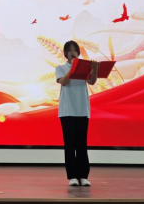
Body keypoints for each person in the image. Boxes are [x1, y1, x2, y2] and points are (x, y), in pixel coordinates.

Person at [55, 40, 98, 187]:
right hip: (67, 111)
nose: (72, 52)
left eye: (75, 50)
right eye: (69, 50)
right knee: (70, 145)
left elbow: (92, 82)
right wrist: (73, 68)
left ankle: (83, 176)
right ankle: (72, 176)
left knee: (81, 144)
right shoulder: (60, 68)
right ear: (65, 54)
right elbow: (64, 82)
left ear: (78, 53)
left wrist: (94, 69)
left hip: (82, 110)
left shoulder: (85, 68)